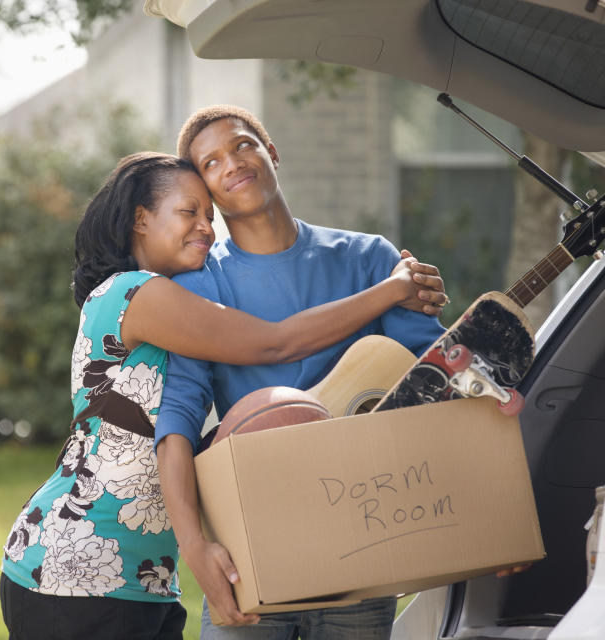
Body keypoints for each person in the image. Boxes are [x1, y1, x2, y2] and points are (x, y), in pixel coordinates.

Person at [0, 151, 446, 640]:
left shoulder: (166, 293)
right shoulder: (137, 293)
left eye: (209, 216)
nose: (206, 228)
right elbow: (276, 341)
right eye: (189, 212)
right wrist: (392, 288)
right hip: (73, 569)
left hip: (141, 577)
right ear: (141, 220)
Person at [154, 105, 449, 639]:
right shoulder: (200, 286)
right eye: (211, 161)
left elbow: (434, 383)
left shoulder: (369, 257)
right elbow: (177, 414)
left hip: (365, 550)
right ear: (209, 192)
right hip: (254, 556)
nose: (232, 163)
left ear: (272, 153)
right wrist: (194, 547)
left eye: (243, 144)